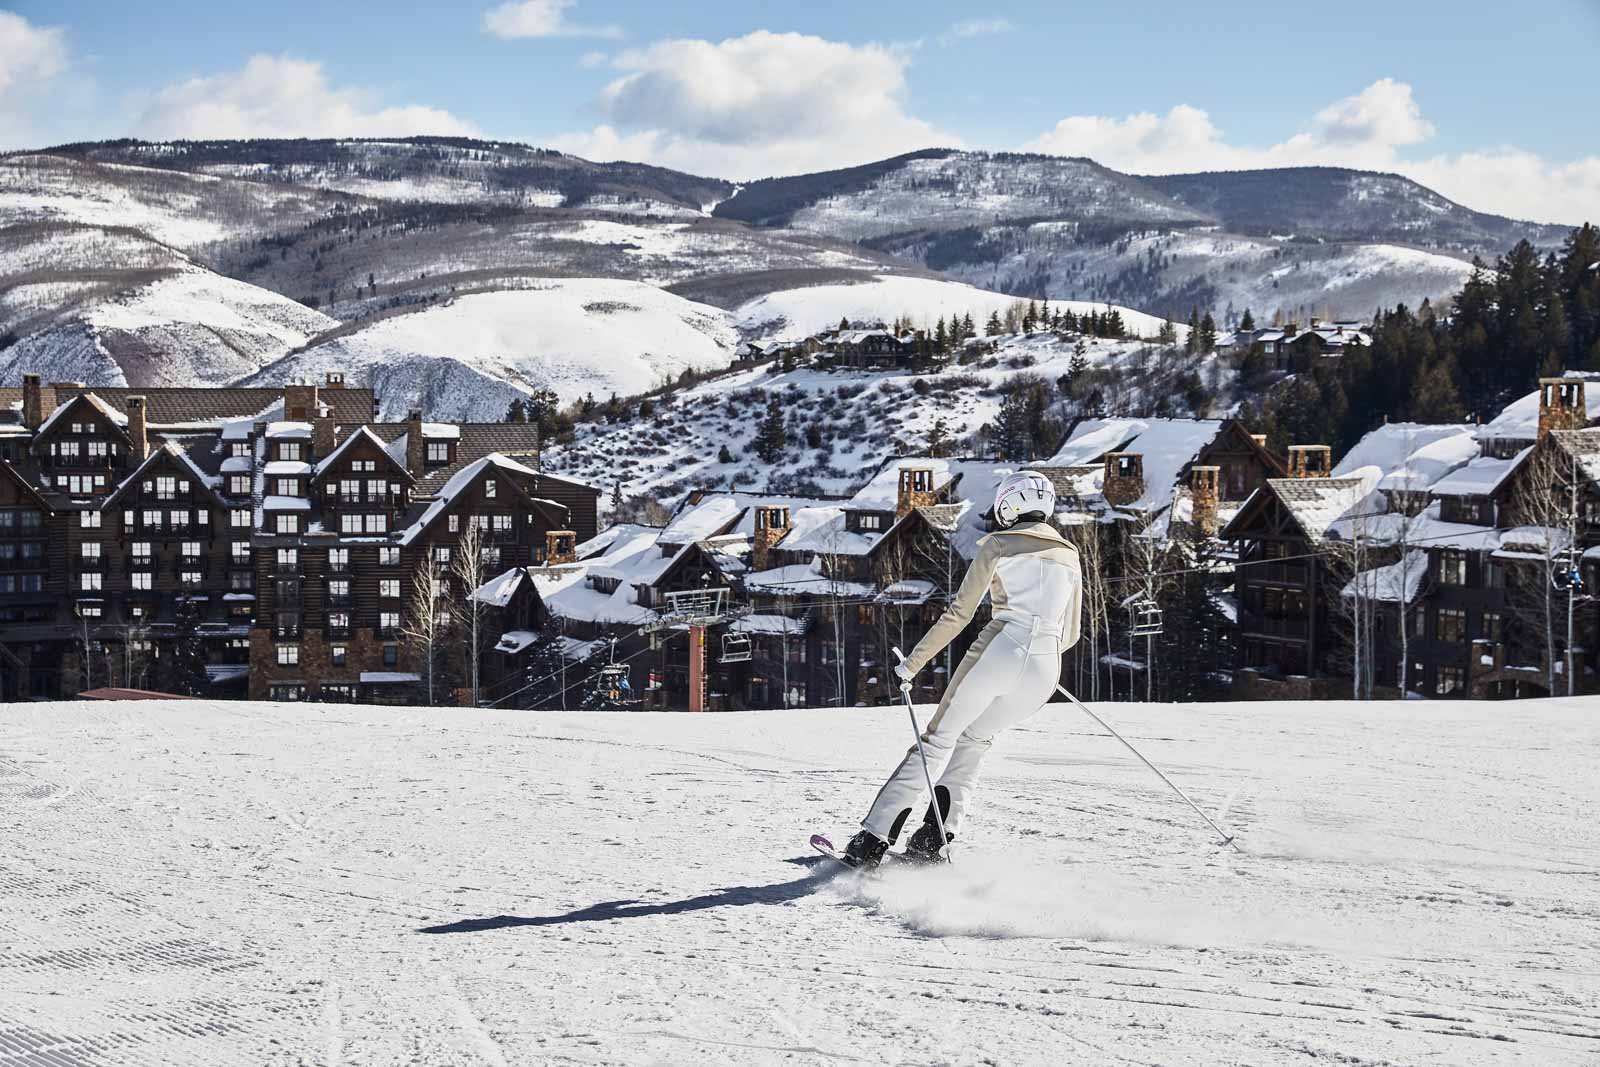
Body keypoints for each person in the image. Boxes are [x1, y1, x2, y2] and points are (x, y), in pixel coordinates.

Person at [843, 470, 1082, 868]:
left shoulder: (997, 544)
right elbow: (1070, 632)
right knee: (975, 740)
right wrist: (1038, 660)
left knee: (937, 741)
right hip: (1046, 668)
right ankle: (933, 841)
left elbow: (960, 614)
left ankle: (871, 840)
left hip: (1000, 649)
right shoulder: (1070, 556)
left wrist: (912, 665)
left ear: (1010, 506)